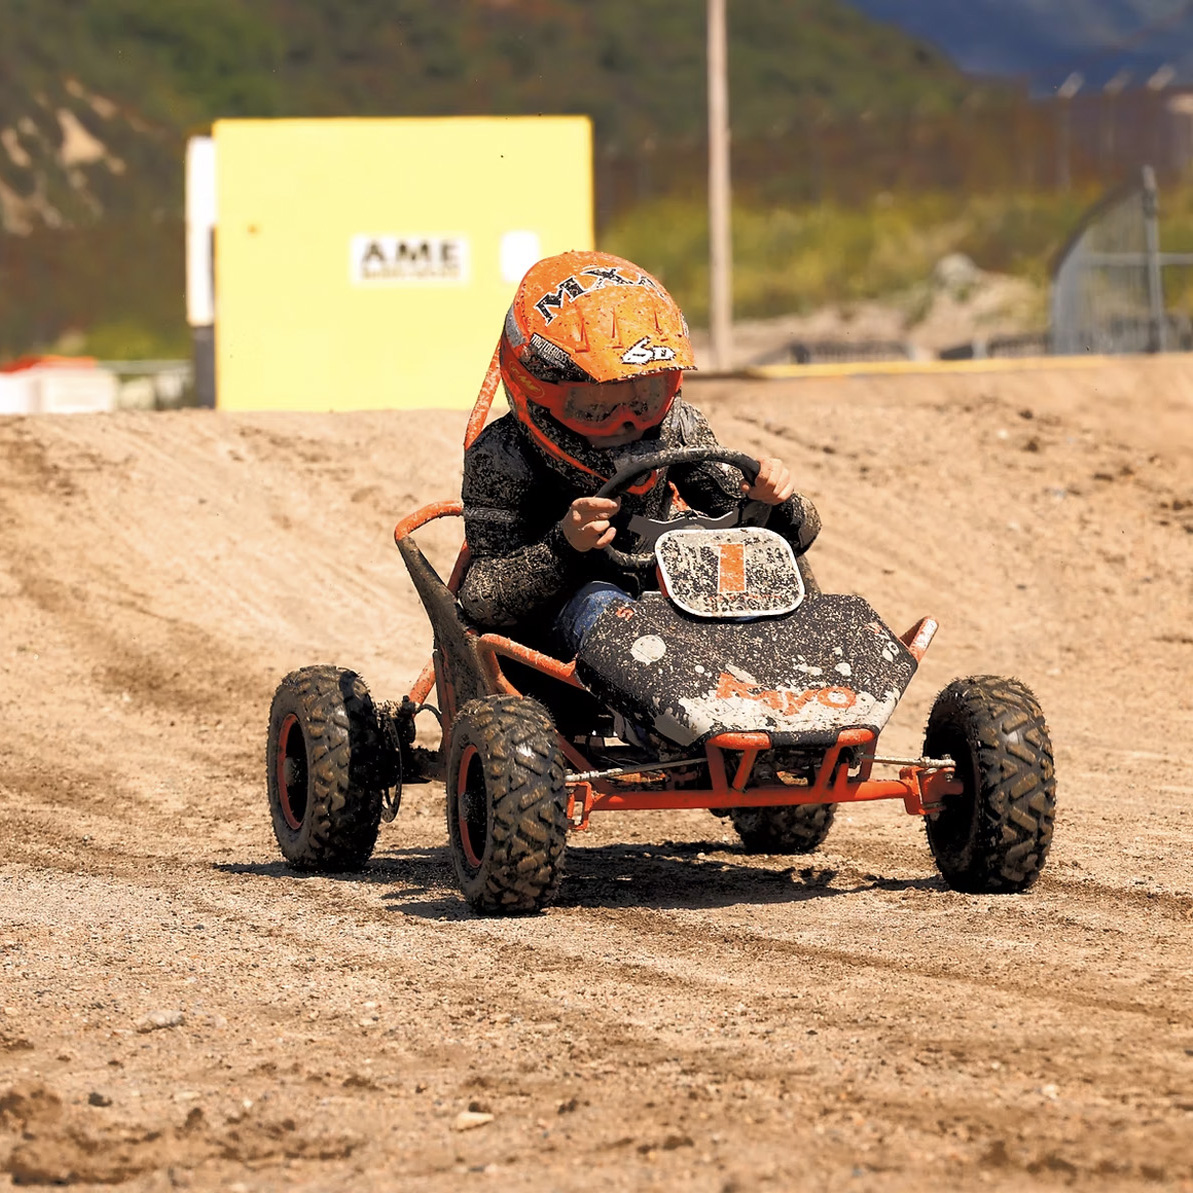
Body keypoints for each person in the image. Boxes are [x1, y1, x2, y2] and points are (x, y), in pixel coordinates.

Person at [458, 250, 820, 657]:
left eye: (646, 397)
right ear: (538, 393)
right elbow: (480, 600)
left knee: (770, 568)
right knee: (604, 606)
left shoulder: (677, 424)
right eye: (597, 405)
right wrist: (565, 545)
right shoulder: (501, 454)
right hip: (564, 619)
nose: (629, 420)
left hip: (671, 587)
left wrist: (774, 501)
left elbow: (793, 535)